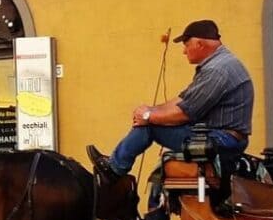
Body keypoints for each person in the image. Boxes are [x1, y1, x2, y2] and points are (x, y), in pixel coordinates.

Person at [91, 19, 255, 179]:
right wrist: (150, 110)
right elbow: (182, 100)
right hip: (222, 136)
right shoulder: (221, 64)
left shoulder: (217, 71)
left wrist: (148, 118)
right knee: (153, 122)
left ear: (199, 44)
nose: (184, 51)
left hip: (222, 140)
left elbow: (185, 113)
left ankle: (114, 169)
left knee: (150, 128)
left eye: (186, 44)